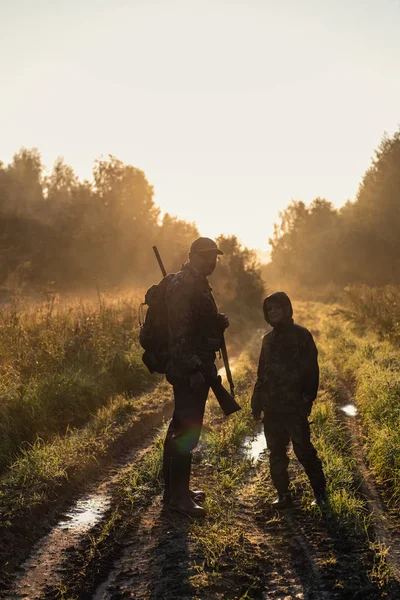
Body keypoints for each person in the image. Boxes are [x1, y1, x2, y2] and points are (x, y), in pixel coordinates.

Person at [163, 237, 229, 517]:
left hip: (196, 365)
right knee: (187, 433)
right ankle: (178, 499)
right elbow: (178, 334)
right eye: (205, 256)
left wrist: (216, 324)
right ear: (191, 256)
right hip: (189, 369)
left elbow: (197, 326)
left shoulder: (199, 282)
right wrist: (193, 371)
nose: (211, 260)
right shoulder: (184, 285)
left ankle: (177, 491)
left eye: (214, 256)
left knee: (180, 427)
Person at [251, 292, 326, 508]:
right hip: (272, 408)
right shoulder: (268, 340)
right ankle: (283, 494)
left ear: (287, 309)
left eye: (277, 308)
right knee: (276, 452)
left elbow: (312, 371)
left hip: (295, 406)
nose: (273, 312)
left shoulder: (302, 336)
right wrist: (257, 401)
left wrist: (307, 400)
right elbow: (261, 374)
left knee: (304, 450)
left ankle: (320, 494)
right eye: (269, 309)